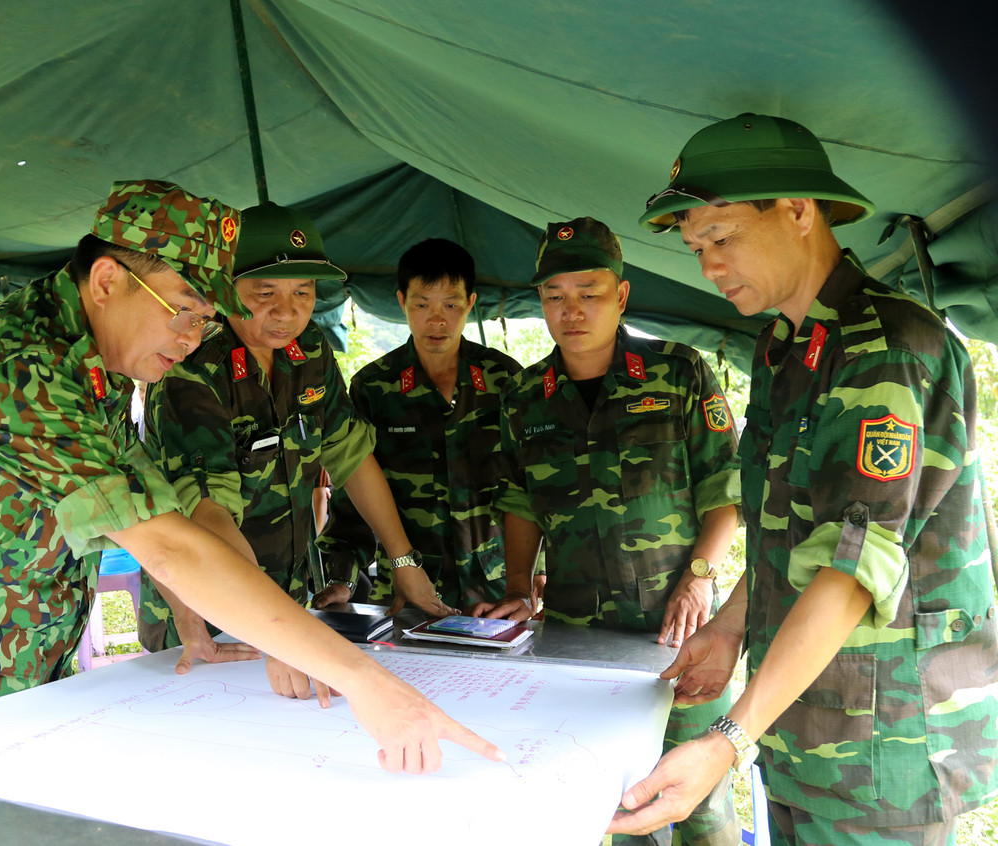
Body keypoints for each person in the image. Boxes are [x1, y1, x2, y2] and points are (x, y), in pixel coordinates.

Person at [0, 180, 501, 783]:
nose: (192, 335)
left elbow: (169, 509)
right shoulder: (14, 369)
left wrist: (186, 609)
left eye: (206, 316)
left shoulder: (102, 364)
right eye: (182, 308)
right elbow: (170, 541)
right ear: (109, 279)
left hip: (21, 660)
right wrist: (363, 680)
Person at [610, 113, 998, 845]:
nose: (709, 268)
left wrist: (726, 738)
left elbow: (854, 566)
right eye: (696, 249)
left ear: (797, 210)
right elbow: (792, 532)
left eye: (721, 239)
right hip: (803, 728)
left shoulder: (884, 346)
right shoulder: (786, 347)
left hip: (884, 749)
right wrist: (728, 627)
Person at [479, 217, 743, 846]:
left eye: (589, 292)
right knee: (607, 805)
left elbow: (725, 488)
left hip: (679, 633)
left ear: (622, 296)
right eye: (555, 296)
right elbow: (519, 500)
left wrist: (701, 578)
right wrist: (520, 586)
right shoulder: (524, 397)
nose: (572, 311)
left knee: (698, 806)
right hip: (579, 640)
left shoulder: (677, 372)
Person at [138, 202, 455, 703]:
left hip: (287, 610)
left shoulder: (309, 353)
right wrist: (275, 630)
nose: (287, 312)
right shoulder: (191, 368)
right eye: (265, 294)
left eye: (303, 293)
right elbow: (207, 513)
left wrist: (403, 561)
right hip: (208, 621)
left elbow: (352, 457)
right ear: (225, 289)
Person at [316, 238, 525, 612]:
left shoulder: (505, 380)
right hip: (406, 589)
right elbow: (353, 494)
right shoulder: (375, 386)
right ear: (401, 302)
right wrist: (342, 577)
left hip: (496, 590)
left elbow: (528, 484)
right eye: (422, 304)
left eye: (451, 305)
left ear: (471, 304)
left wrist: (533, 575)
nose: (437, 320)